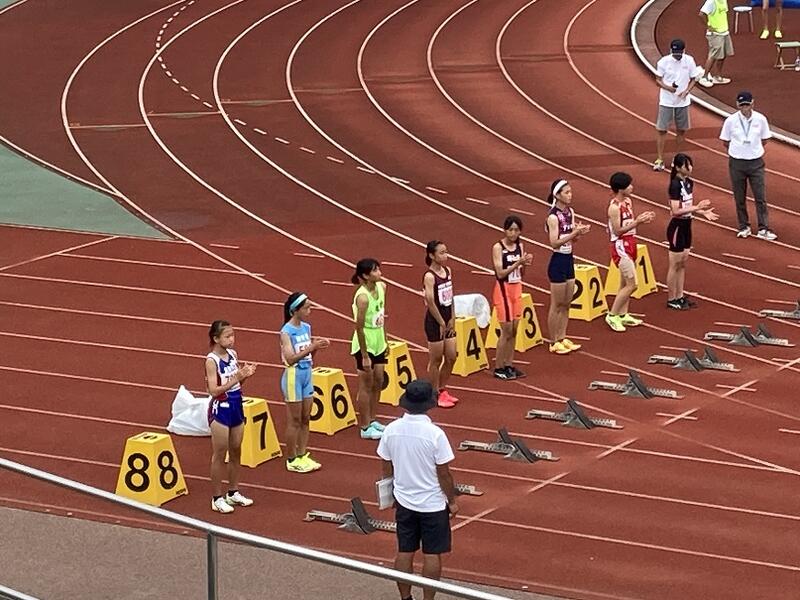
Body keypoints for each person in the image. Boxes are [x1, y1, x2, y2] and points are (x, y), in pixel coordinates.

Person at [376, 379, 457, 600]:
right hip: (433, 504)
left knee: (405, 550)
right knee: (432, 554)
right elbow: (444, 473)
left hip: (404, 500)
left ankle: (405, 598)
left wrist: (390, 490)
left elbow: (386, 464)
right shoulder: (435, 434)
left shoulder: (391, 430)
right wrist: (452, 500)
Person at [205, 320, 257, 514]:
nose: (231, 339)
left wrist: (245, 375)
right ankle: (216, 498)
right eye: (227, 336)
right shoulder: (211, 361)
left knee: (236, 450)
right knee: (220, 454)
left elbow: (237, 384)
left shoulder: (233, 355)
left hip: (236, 404)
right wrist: (237, 377)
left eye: (233, 335)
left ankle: (233, 492)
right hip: (221, 407)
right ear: (216, 338)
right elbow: (213, 390)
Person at [280, 292, 330, 473]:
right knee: (294, 420)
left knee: (306, 418)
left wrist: (316, 347)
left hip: (307, 373)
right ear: (295, 310)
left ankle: (302, 454)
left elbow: (308, 355)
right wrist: (312, 347)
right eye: (307, 307)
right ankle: (291, 458)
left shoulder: (306, 328)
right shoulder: (286, 332)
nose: (310, 310)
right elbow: (290, 358)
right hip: (293, 376)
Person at [719, 91, 776, 241]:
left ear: (752, 103)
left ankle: (763, 228)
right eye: (742, 105)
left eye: (747, 105)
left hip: (756, 162)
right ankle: (744, 226)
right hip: (737, 163)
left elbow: (764, 139)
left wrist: (753, 150)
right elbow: (725, 141)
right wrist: (738, 151)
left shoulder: (760, 119)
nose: (744, 108)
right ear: (737, 105)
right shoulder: (730, 121)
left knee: (760, 197)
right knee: (739, 196)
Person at [665, 154, 719, 310]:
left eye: (690, 164)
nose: (690, 168)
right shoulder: (675, 185)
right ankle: (672, 298)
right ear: (678, 168)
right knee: (674, 264)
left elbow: (687, 206)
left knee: (682, 263)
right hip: (677, 226)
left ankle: (680, 295)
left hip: (687, 224)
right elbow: (675, 210)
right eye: (686, 165)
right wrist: (697, 208)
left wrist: (702, 212)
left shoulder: (689, 182)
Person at [605, 173, 656, 333]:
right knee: (632, 284)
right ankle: (612, 315)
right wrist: (637, 222)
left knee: (624, 283)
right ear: (621, 188)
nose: (632, 187)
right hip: (620, 246)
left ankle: (622, 314)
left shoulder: (628, 201)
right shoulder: (614, 208)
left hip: (631, 242)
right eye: (629, 185)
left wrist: (642, 219)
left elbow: (629, 224)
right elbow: (617, 230)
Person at [545, 179, 590, 354]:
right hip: (558, 261)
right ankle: (553, 341)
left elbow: (572, 239)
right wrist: (574, 233)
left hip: (569, 259)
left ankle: (562, 337)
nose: (570, 195)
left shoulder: (570, 212)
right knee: (556, 304)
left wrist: (579, 233)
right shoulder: (553, 217)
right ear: (557, 195)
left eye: (571, 192)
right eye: (566, 192)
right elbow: (554, 243)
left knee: (566, 303)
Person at [491, 215, 532, 380]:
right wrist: (517, 263)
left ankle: (509, 364)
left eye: (516, 230)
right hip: (503, 289)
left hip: (517, 288)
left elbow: (522, 273)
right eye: (510, 230)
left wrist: (524, 264)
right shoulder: (498, 247)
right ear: (505, 230)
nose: (513, 233)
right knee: (506, 330)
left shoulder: (520, 246)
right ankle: (498, 367)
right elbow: (500, 273)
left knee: (514, 329)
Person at [351, 258, 388, 439]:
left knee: (378, 380)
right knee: (366, 384)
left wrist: (385, 340)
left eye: (378, 269)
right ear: (365, 276)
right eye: (375, 270)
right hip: (365, 341)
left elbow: (381, 316)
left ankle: (372, 419)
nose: (379, 273)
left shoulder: (382, 287)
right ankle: (365, 427)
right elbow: (359, 327)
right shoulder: (363, 298)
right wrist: (365, 355)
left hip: (379, 338)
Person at [653, 39, 701, 171]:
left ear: (683, 51)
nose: (677, 55)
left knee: (681, 130)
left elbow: (694, 78)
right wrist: (669, 88)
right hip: (666, 101)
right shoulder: (663, 62)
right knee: (662, 129)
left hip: (682, 102)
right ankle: (659, 159)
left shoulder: (689, 60)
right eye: (675, 53)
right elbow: (657, 80)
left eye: (679, 53)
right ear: (671, 51)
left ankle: (678, 159)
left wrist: (687, 91)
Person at [423, 241, 459, 409]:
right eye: (442, 253)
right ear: (432, 255)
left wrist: (452, 317)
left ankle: (442, 389)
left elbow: (450, 296)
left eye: (446, 252)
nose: (446, 255)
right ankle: (434, 393)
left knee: (451, 356)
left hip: (447, 318)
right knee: (436, 359)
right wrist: (441, 322)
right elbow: (430, 301)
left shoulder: (448, 271)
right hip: (435, 321)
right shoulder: (429, 276)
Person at [697, 0, 734, 88]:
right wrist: (708, 26)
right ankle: (704, 77)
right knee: (713, 55)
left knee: (723, 54)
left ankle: (717, 76)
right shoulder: (711, 2)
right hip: (715, 34)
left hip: (724, 32)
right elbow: (701, 14)